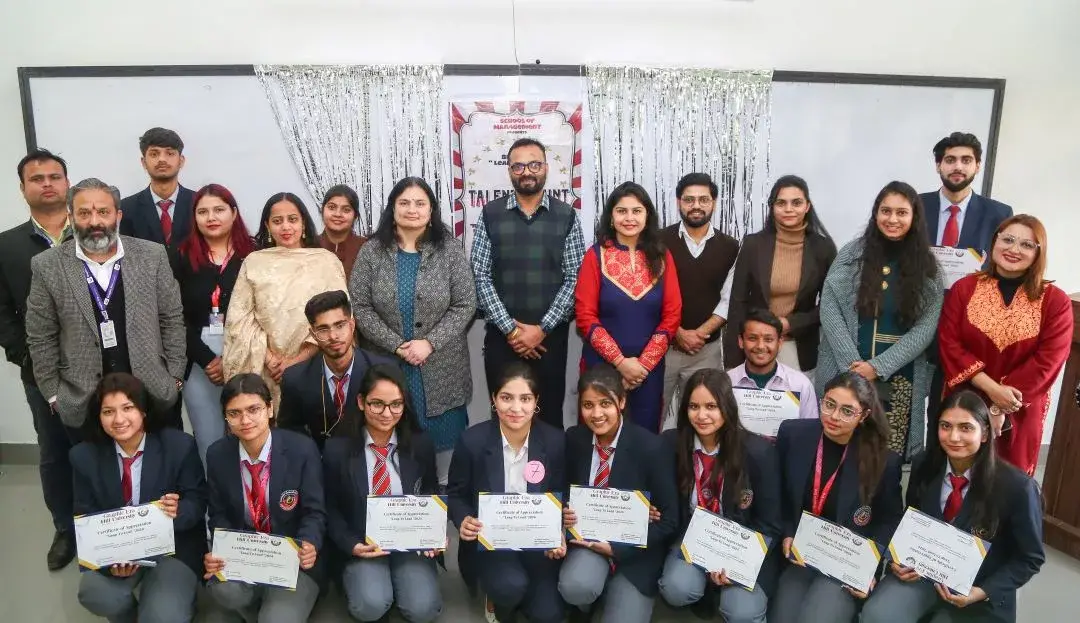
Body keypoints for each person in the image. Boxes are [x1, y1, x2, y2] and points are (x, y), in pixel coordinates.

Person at [860, 391, 1045, 623]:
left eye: (966, 428)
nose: (954, 437)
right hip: (921, 576)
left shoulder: (1017, 487)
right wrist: (898, 560)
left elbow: (1030, 558)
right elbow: (912, 522)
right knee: (878, 615)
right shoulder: (924, 465)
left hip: (977, 587)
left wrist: (982, 592)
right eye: (945, 426)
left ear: (985, 433)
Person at [26, 177, 187, 434]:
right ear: (71, 216)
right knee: (95, 472)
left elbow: (171, 318)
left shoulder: (152, 255)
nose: (94, 222)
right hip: (83, 399)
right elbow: (40, 335)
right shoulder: (47, 265)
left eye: (103, 212)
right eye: (84, 213)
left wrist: (175, 377)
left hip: (151, 393)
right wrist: (54, 394)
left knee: (159, 470)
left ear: (118, 215)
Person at [351, 176, 476, 484]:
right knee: (392, 444)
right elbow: (360, 307)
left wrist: (429, 343)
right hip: (388, 365)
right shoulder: (372, 252)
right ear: (392, 209)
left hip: (442, 369)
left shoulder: (449, 250)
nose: (412, 210)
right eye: (404, 203)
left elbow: (465, 304)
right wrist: (397, 345)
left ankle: (440, 515)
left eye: (420, 203)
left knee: (443, 464)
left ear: (431, 209)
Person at [817, 181, 944, 457]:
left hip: (901, 378)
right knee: (841, 449)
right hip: (847, 372)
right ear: (876, 214)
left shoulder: (929, 266)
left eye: (901, 212)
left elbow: (926, 328)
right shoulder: (852, 255)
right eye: (886, 211)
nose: (893, 219)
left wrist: (878, 367)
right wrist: (853, 366)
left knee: (889, 456)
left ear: (914, 217)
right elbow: (829, 306)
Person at [938, 214, 1072, 475]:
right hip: (965, 403)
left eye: (1026, 245)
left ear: (1038, 253)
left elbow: (1048, 361)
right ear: (995, 240)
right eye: (1008, 239)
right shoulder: (964, 289)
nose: (1014, 249)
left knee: (1010, 481)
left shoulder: (1055, 301)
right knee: (957, 474)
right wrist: (990, 392)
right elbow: (950, 344)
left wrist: (1000, 406)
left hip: (1020, 409)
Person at [71, 373, 206, 623]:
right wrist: (109, 563)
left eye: (128, 408)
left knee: (162, 616)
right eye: (108, 412)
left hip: (172, 548)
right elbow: (84, 514)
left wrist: (179, 511)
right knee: (94, 593)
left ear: (143, 410)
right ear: (98, 417)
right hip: (117, 552)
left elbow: (197, 502)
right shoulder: (83, 457)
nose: (119, 419)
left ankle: (172, 605)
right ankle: (129, 615)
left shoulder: (179, 446)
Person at [768, 372, 903, 623]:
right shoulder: (793, 434)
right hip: (801, 554)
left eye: (847, 411)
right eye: (829, 404)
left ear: (864, 415)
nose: (834, 416)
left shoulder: (885, 461)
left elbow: (890, 520)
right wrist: (787, 531)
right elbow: (779, 496)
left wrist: (866, 567)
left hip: (845, 562)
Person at [471, 137, 586, 429]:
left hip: (550, 342)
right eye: (518, 166)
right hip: (501, 340)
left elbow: (575, 278)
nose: (527, 172)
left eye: (534, 164)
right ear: (509, 171)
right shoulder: (490, 214)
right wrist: (512, 330)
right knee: (505, 418)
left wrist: (542, 329)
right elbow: (480, 275)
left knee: (548, 419)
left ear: (546, 168)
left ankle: (547, 477)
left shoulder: (567, 216)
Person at [0, 148, 77, 570]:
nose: (47, 183)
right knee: (53, 452)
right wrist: (24, 354)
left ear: (67, 183)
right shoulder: (7, 245)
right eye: (37, 178)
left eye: (54, 176)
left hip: (99, 366)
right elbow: (1, 311)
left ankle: (107, 525)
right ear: (24, 188)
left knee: (101, 447)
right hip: (40, 370)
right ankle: (65, 528)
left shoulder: (92, 232)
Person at [657, 369, 782, 623]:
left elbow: (770, 523)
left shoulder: (758, 453)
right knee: (676, 589)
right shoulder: (671, 444)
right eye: (693, 406)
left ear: (727, 406)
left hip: (743, 545)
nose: (702, 415)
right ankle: (703, 588)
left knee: (742, 613)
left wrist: (738, 563)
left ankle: (722, 591)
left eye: (711, 406)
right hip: (694, 539)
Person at [448, 361, 567, 623]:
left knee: (549, 615)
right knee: (509, 588)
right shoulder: (472, 441)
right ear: (493, 399)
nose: (515, 408)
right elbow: (455, 494)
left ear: (536, 401)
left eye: (525, 399)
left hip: (537, 545)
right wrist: (464, 519)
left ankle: (521, 594)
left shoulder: (555, 441)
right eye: (506, 398)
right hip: (492, 544)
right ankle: (499, 599)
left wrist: (558, 530)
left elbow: (560, 492)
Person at [323, 364, 443, 623]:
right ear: (361, 402)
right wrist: (351, 545)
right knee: (370, 605)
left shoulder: (420, 444)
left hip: (410, 543)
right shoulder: (337, 450)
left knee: (422, 610)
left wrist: (434, 531)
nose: (387, 413)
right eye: (377, 404)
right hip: (362, 542)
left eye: (396, 404)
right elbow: (329, 508)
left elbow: (431, 491)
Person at [559, 363, 678, 623]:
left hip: (635, 552)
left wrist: (620, 544)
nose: (597, 413)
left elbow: (670, 520)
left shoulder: (652, 448)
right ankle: (591, 596)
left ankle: (613, 589)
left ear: (622, 402)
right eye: (588, 405)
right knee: (575, 587)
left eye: (605, 404)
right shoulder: (575, 439)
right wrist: (564, 511)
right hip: (588, 542)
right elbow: (562, 491)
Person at [204, 373, 326, 622]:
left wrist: (309, 543)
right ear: (226, 419)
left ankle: (278, 605)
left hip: (293, 559)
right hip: (246, 555)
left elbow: (315, 511)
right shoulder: (218, 454)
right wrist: (221, 549)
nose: (245, 420)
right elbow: (218, 513)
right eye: (234, 413)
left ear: (270, 409)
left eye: (254, 409)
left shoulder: (301, 448)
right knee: (222, 590)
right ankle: (262, 603)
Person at [921, 132, 1014, 434]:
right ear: (938, 165)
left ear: (978, 166)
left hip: (967, 333)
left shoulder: (999, 214)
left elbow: (1004, 272)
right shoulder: (915, 207)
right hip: (916, 325)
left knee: (955, 414)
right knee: (908, 414)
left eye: (966, 160)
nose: (957, 167)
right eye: (950, 160)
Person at [222, 192, 347, 407]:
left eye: (293, 219)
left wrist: (296, 361)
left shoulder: (326, 261)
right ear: (268, 226)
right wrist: (270, 359)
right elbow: (240, 320)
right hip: (265, 368)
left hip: (316, 362)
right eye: (277, 221)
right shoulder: (254, 262)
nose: (286, 227)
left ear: (304, 223)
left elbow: (341, 316)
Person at [575, 182, 681, 432]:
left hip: (649, 371)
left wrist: (642, 365)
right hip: (601, 366)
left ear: (647, 216)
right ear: (611, 217)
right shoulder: (595, 255)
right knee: (598, 434)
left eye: (637, 211)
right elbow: (585, 316)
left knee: (644, 436)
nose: (629, 218)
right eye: (622, 211)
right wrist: (621, 362)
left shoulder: (662, 257)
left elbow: (672, 314)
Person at [170, 183, 256, 464]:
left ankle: (251, 504)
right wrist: (207, 359)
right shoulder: (179, 257)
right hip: (198, 355)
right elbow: (172, 316)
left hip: (247, 350)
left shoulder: (254, 254)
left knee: (248, 433)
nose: (211, 217)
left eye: (219, 209)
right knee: (209, 440)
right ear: (194, 218)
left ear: (233, 213)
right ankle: (214, 508)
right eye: (203, 211)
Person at [725, 175, 837, 375]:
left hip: (798, 346)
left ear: (807, 206)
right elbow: (737, 302)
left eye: (796, 203)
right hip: (754, 347)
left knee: (795, 404)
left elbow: (831, 305)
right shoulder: (753, 244)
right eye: (781, 203)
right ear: (772, 207)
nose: (788, 209)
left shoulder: (823, 248)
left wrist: (790, 323)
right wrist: (732, 361)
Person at [659, 173, 739, 420]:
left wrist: (700, 333)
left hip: (707, 350)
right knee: (653, 415)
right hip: (663, 347)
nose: (696, 205)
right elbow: (650, 294)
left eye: (703, 199)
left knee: (702, 419)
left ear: (714, 202)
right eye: (689, 199)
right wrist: (678, 332)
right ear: (678, 202)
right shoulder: (658, 242)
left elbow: (729, 297)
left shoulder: (730, 246)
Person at [278, 290, 392, 452]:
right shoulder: (295, 378)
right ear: (313, 334)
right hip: (320, 468)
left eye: (340, 325)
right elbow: (289, 434)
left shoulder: (384, 371)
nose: (333, 336)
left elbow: (402, 428)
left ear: (352, 325)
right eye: (323, 329)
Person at [727, 308, 818, 422]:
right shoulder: (726, 382)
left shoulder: (800, 385)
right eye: (752, 338)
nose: (760, 346)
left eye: (768, 339)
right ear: (741, 341)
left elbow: (809, 432)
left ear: (780, 343)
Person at [119, 127, 194, 247]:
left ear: (181, 161)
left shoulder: (199, 204)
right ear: (143, 162)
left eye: (170, 153)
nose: (162, 159)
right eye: (154, 154)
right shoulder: (125, 209)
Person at [318, 184, 367, 276]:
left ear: (355, 216)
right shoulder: (308, 246)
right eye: (332, 207)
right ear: (322, 210)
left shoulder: (367, 248)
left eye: (346, 210)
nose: (338, 214)